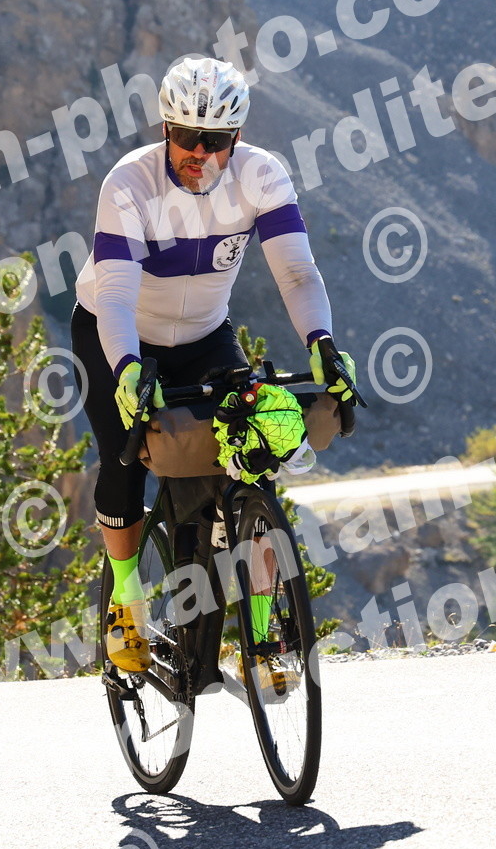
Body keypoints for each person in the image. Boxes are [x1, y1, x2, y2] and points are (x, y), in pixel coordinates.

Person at [70, 55, 356, 673]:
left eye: (216, 140)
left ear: (238, 137)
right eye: (185, 136)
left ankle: (264, 635)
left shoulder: (262, 176)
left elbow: (297, 272)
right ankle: (126, 598)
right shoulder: (129, 183)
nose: (199, 153)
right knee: (124, 458)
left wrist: (323, 344)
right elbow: (114, 297)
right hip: (117, 334)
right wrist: (126, 369)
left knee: (253, 462)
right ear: (165, 129)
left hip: (204, 335)